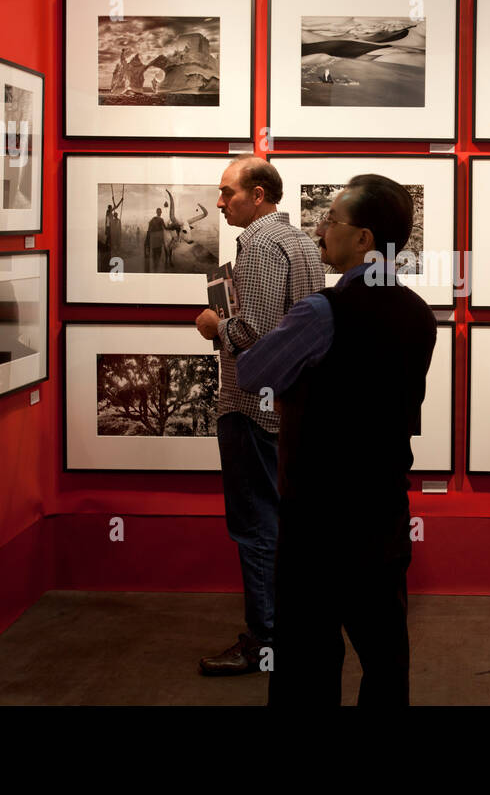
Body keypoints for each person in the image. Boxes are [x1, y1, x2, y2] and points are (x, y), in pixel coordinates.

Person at [236, 174, 436, 706]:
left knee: (306, 661)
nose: (321, 230)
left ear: (364, 239)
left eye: (332, 221)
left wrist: (231, 330)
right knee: (386, 659)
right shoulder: (420, 315)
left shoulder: (322, 312)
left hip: (318, 520)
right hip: (384, 513)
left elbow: (254, 372)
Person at [194, 157, 323, 676]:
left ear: (261, 194)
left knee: (254, 525)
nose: (221, 202)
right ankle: (288, 632)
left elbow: (258, 335)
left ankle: (263, 642)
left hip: (253, 407)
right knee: (286, 521)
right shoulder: (300, 243)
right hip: (289, 406)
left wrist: (214, 325)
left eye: (228, 193)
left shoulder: (262, 246)